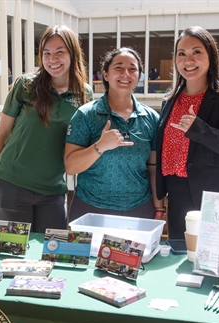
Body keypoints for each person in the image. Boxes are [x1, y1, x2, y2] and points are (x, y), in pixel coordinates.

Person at [0, 25, 93, 233]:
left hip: (53, 189)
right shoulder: (25, 85)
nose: (52, 59)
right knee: (13, 253)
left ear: (73, 54)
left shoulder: (84, 94)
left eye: (59, 52)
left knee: (50, 251)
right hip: (12, 183)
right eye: (46, 53)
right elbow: (2, 133)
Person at [155, 26, 219, 239]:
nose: (188, 60)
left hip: (212, 196)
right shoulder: (169, 101)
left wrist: (199, 129)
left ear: (211, 57)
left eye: (196, 52)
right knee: (179, 256)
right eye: (182, 54)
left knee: (213, 261)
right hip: (176, 194)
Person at [64, 47, 162, 222]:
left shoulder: (151, 118)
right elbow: (71, 167)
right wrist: (100, 146)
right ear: (106, 75)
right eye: (118, 67)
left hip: (138, 209)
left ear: (139, 76)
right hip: (91, 208)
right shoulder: (86, 115)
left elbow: (153, 170)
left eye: (132, 69)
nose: (126, 74)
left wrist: (159, 208)